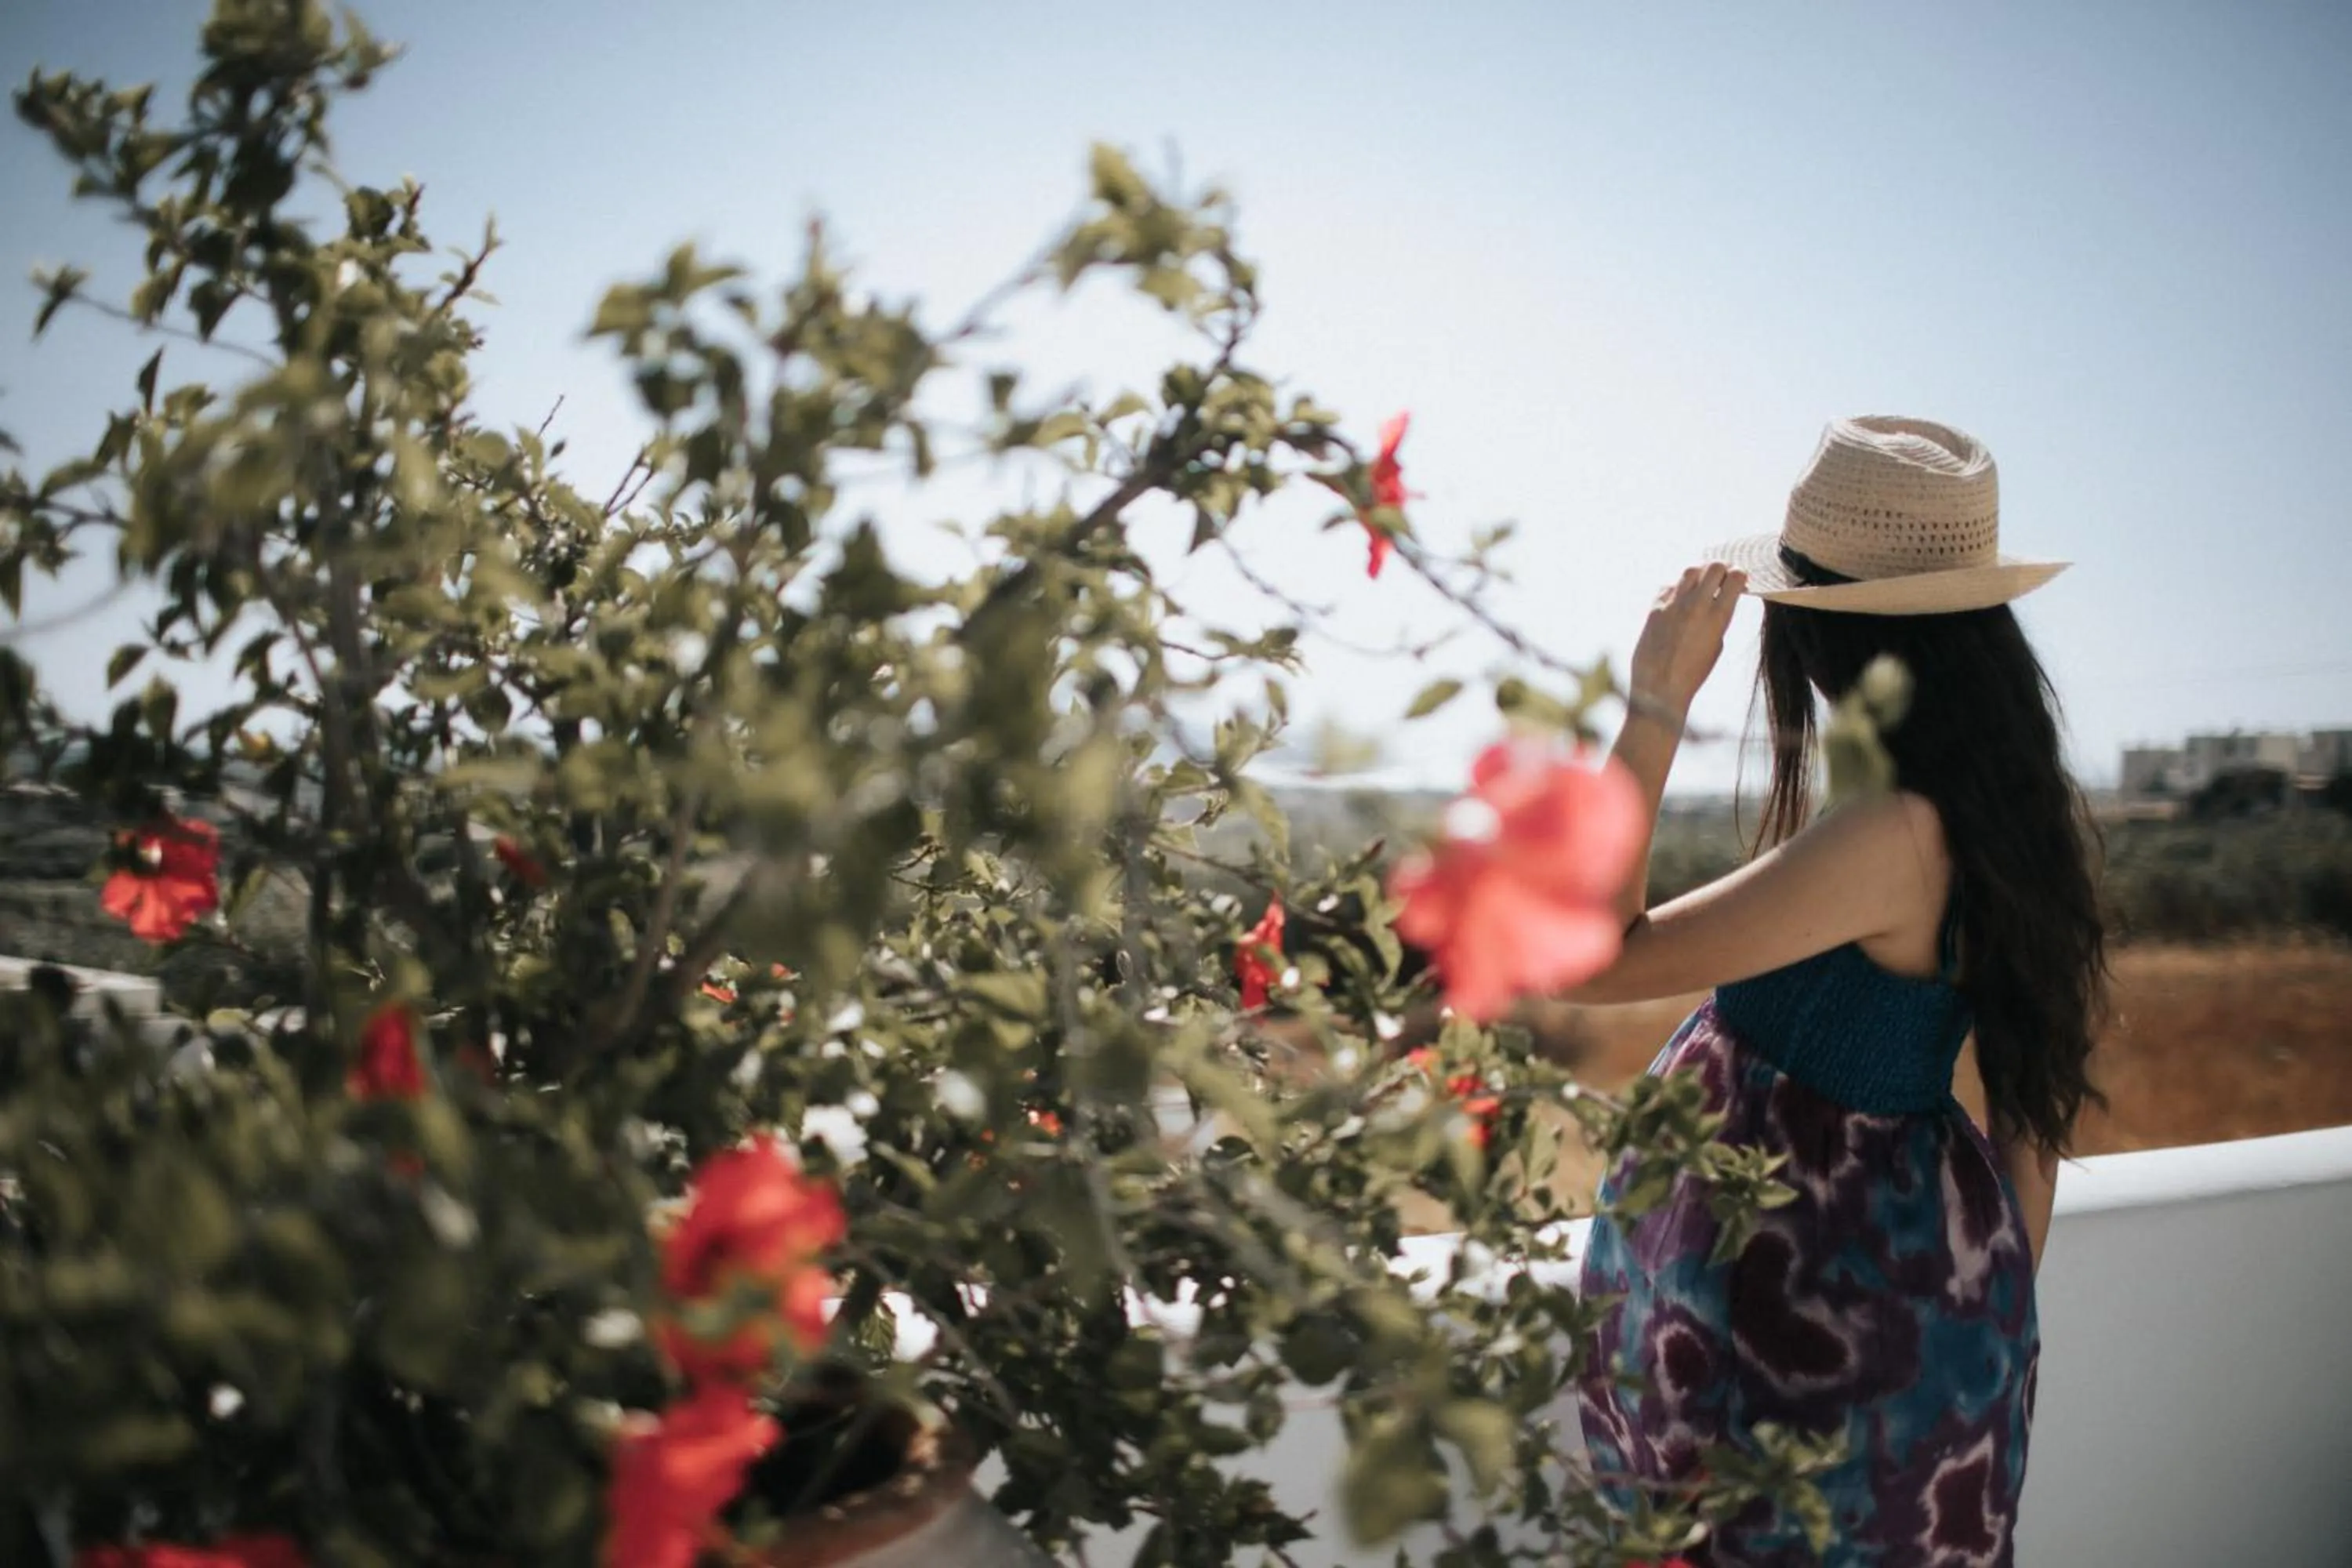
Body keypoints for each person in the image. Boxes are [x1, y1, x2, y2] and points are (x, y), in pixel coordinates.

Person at [1566, 416, 2107, 1566]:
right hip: (1892, 1294)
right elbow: (2031, 1121)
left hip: (1798, 1315)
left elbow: (1597, 951)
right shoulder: (1993, 812)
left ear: (1820, 638)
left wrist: (1655, 704)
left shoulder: (1892, 833)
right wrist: (1976, 1318)